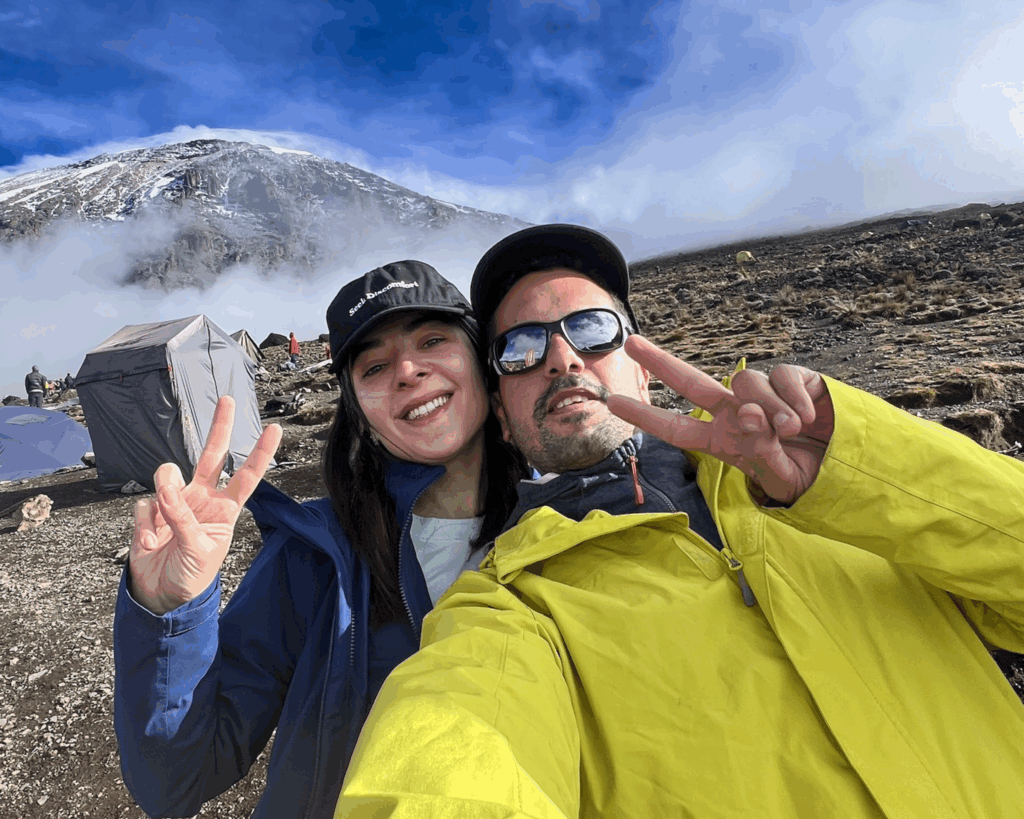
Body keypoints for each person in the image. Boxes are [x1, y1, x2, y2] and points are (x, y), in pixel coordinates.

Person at [337, 225, 1024, 818]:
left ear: (644, 367)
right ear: (505, 417)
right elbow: (456, 747)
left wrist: (857, 474)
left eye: (590, 328)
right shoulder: (509, 603)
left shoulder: (841, 484)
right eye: (519, 348)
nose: (561, 357)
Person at [112, 261, 528, 819]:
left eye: (432, 339)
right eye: (374, 366)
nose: (407, 370)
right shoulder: (315, 555)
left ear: (482, 361)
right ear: (360, 411)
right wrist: (168, 612)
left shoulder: (567, 526)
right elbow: (178, 781)